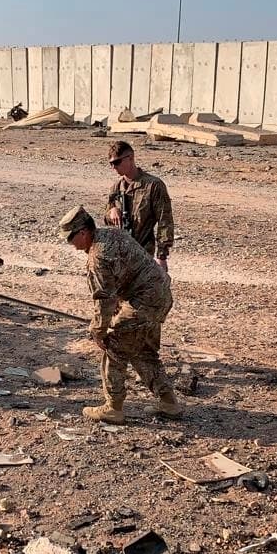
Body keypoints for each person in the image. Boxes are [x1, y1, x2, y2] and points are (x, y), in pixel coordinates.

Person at [59, 205, 181, 424]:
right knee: (142, 351)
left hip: (142, 303)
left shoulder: (98, 256)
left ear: (83, 233)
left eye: (70, 239)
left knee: (114, 347)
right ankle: (168, 402)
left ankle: (113, 408)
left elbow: (104, 299)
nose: (71, 244)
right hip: (160, 297)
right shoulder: (112, 234)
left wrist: (98, 331)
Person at [104, 140, 174, 271]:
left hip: (143, 253)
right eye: (111, 164)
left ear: (130, 158)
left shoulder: (153, 185)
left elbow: (165, 221)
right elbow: (107, 220)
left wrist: (162, 256)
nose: (114, 167)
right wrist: (112, 211)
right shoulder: (116, 188)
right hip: (119, 253)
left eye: (117, 162)